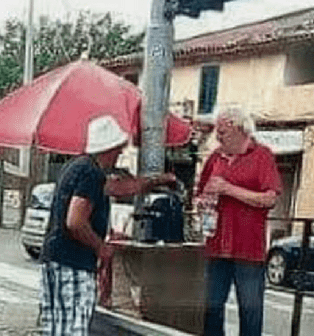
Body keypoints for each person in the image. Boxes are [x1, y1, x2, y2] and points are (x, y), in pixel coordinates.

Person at [39, 117, 177, 336]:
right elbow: (75, 221)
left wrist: (156, 181)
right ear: (108, 149)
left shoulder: (77, 166)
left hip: (56, 258)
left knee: (56, 326)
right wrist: (100, 247)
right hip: (74, 262)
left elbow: (120, 188)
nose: (120, 154)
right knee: (74, 327)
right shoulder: (91, 174)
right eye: (118, 150)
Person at [195, 105, 282, 336]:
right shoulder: (215, 157)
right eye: (217, 131)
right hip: (216, 244)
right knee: (211, 308)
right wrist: (202, 202)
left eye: (223, 132)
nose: (217, 137)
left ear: (241, 130)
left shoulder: (262, 155)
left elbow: (269, 199)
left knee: (250, 311)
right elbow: (200, 193)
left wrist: (229, 189)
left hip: (248, 248)